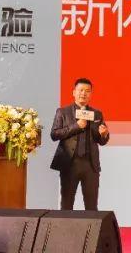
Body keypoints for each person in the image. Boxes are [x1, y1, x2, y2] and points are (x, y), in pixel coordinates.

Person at [50, 78, 110, 210]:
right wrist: (76, 126)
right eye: (81, 90)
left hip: (90, 165)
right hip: (70, 164)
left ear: (91, 94)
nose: (84, 93)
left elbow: (101, 141)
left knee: (92, 206)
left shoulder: (97, 114)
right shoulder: (62, 112)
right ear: (74, 92)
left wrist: (104, 134)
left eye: (87, 91)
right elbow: (54, 134)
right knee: (67, 204)